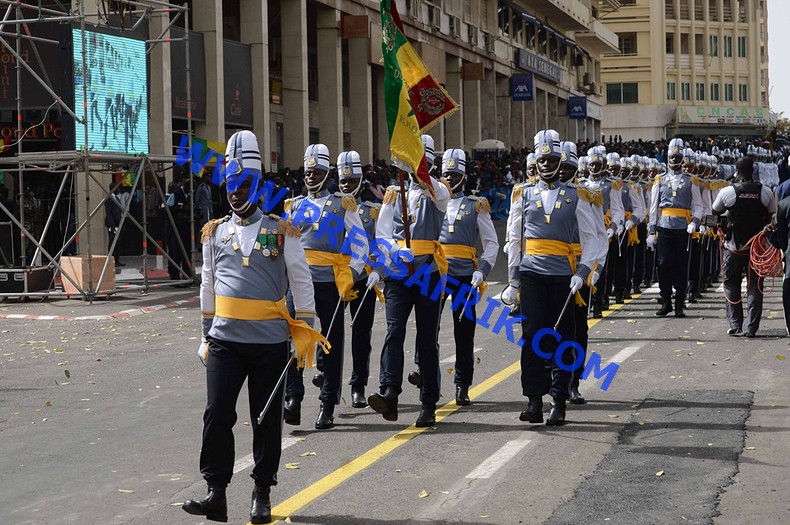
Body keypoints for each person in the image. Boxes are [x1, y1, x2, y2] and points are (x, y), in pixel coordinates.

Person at [183, 130, 327, 524]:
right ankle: (216, 491)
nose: (235, 192)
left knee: (265, 419)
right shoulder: (214, 233)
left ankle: (262, 492)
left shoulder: (283, 231)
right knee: (216, 414)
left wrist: (305, 332)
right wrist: (204, 336)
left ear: (257, 184)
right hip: (224, 342)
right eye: (230, 184)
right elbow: (207, 286)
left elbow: (301, 282)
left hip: (268, 343)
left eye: (244, 184)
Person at [503, 130, 607, 426]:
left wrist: (583, 272)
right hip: (532, 272)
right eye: (541, 159)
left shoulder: (578, 195)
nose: (546, 164)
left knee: (564, 337)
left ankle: (559, 399)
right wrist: (514, 279)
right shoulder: (522, 193)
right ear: (534, 161)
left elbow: (594, 239)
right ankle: (534, 399)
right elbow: (514, 238)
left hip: (564, 275)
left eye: (551, 159)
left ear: (559, 160)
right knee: (533, 336)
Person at [283, 144, 369, 430]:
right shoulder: (293, 205)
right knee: (293, 340)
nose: (310, 177)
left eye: (317, 172)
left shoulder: (342, 204)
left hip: (330, 282)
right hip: (299, 283)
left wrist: (352, 274)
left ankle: (327, 404)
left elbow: (361, 245)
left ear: (327, 173)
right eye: (307, 172)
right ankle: (293, 398)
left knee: (331, 343)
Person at [368, 150, 450, 427]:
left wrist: (425, 175)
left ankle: (428, 402)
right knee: (395, 330)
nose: (418, 170)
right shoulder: (394, 193)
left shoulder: (438, 192)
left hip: (427, 269)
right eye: (414, 165)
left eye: (423, 165)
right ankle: (389, 391)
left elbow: (440, 194)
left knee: (427, 337)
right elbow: (382, 235)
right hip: (398, 270)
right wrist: (394, 250)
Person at [436, 148, 499, 405]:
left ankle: (462, 384)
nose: (449, 179)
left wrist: (481, 271)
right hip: (436, 274)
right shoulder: (433, 202)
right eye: (445, 174)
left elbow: (492, 243)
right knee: (429, 329)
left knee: (464, 333)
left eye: (454, 174)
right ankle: (425, 376)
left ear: (464, 176)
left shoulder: (476, 205)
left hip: (465, 275)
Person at [336, 150, 383, 408]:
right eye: (342, 181)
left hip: (363, 277)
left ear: (360, 183)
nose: (346, 186)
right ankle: (326, 372)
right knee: (330, 328)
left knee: (361, 332)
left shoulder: (372, 210)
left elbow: (379, 243)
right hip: (336, 276)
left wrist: (376, 269)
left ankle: (358, 385)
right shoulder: (332, 207)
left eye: (351, 181)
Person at [713, 157, 775, 337]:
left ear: (736, 171)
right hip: (757, 249)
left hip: (733, 247)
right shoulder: (765, 192)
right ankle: (751, 328)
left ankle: (735, 323)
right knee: (755, 286)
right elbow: (771, 218)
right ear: (753, 170)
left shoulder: (727, 192)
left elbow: (715, 211)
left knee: (731, 282)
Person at [647, 138, 703, 318]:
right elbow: (654, 206)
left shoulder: (691, 180)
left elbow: (698, 205)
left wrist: (694, 221)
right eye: (671, 156)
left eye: (677, 156)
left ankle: (679, 303)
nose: (673, 160)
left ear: (682, 158)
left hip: (683, 228)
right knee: (663, 265)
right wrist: (651, 231)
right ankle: (666, 301)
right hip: (664, 227)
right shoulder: (659, 179)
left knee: (681, 266)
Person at [104, 181, 124, 267]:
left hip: (117, 223)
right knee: (112, 242)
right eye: (117, 188)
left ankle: (117, 259)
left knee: (117, 242)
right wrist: (112, 225)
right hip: (112, 224)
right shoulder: (109, 199)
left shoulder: (117, 198)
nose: (119, 190)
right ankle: (112, 260)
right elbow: (108, 213)